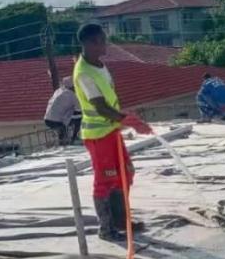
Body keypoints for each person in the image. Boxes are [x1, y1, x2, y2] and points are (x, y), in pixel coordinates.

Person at [72, 23, 153, 242]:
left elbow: (109, 100)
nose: (104, 44)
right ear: (89, 43)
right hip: (98, 137)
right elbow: (99, 106)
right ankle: (106, 229)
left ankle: (121, 221)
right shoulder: (83, 73)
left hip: (111, 130)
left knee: (126, 173)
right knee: (105, 180)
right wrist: (127, 120)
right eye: (100, 41)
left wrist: (124, 117)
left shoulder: (99, 65)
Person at [44, 76, 81, 145]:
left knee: (62, 131)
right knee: (79, 118)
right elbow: (79, 109)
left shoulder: (58, 91)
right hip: (58, 121)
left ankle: (64, 139)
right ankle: (74, 138)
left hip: (47, 119)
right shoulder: (72, 95)